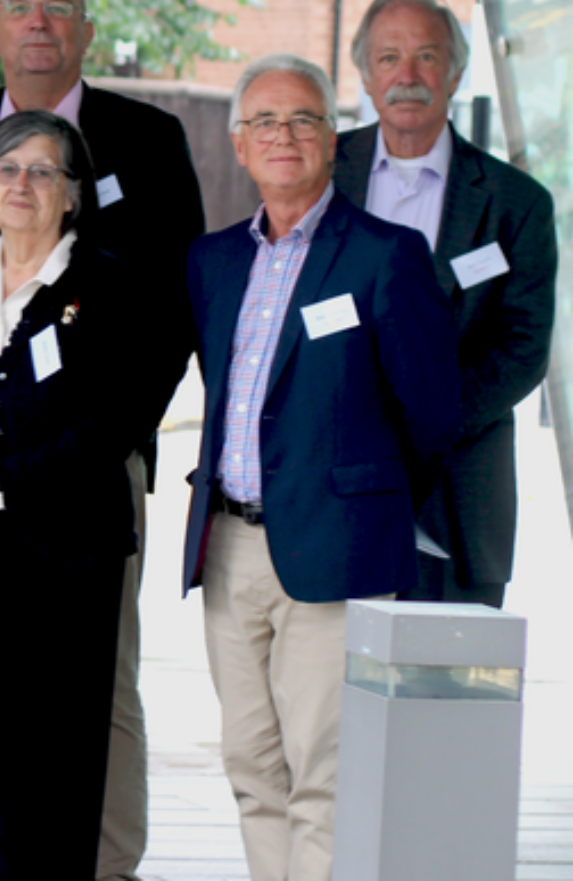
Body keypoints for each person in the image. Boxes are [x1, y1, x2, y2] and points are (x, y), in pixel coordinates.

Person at [0, 0, 204, 881]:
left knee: (93, 694)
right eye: (17, 9)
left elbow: (172, 319)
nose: (37, 25)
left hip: (85, 471)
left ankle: (103, 865)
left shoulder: (148, 139)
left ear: (85, 28)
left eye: (57, 9)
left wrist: (113, 439)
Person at [185, 54, 461, 881]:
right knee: (250, 764)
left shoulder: (387, 254)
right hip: (230, 547)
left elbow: (431, 412)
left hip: (336, 548)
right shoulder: (213, 261)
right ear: (239, 145)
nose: (284, 135)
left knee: (323, 775)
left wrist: (360, 499)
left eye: (303, 119)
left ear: (331, 141)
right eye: (265, 122)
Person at [330, 0, 555, 608]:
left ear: (456, 72)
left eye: (427, 57)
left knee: (448, 694)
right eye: (388, 58)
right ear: (366, 77)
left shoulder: (516, 204)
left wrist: (425, 420)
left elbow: (523, 349)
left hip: (461, 499)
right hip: (330, 496)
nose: (407, 76)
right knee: (325, 699)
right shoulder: (318, 175)